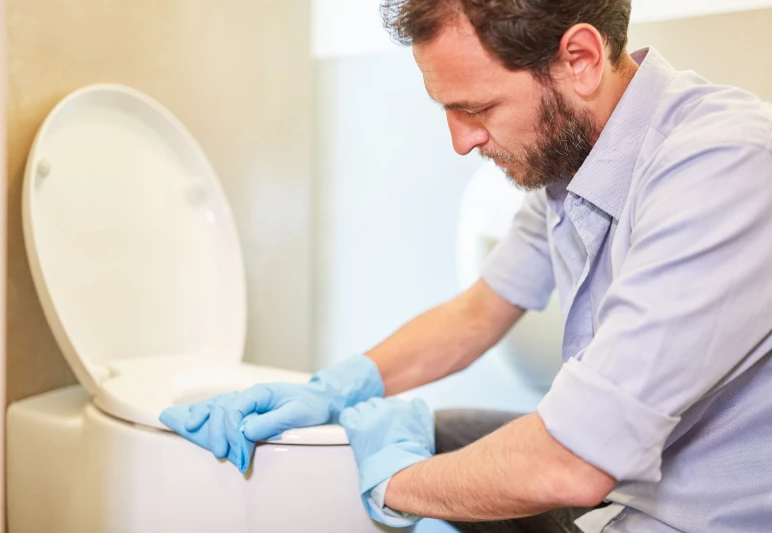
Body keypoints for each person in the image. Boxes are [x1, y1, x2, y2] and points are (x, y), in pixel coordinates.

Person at [162, 1, 772, 531]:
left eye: (476, 107)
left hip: (688, 518)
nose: (461, 141)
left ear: (580, 59)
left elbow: (571, 461)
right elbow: (479, 311)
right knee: (437, 431)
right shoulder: (577, 161)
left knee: (423, 465)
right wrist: (331, 388)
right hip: (625, 491)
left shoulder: (726, 168)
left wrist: (396, 484)